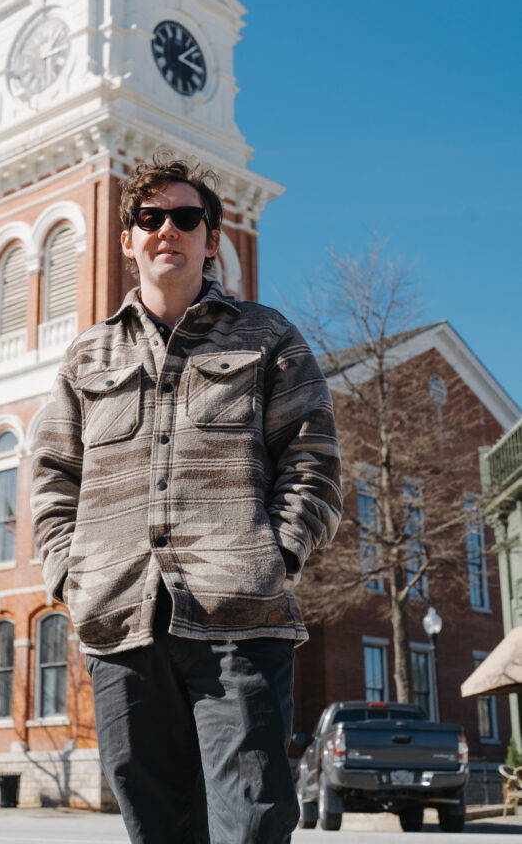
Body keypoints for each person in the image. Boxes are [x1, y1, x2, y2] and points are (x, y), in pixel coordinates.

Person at [31, 144, 342, 843]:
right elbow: (53, 477)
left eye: (184, 216)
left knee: (251, 822)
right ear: (128, 239)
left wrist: (277, 555)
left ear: (211, 239)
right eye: (150, 217)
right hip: (119, 623)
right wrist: (67, 574)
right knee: (158, 828)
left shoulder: (268, 337)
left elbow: (313, 462)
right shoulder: (88, 357)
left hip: (238, 618)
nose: (165, 228)